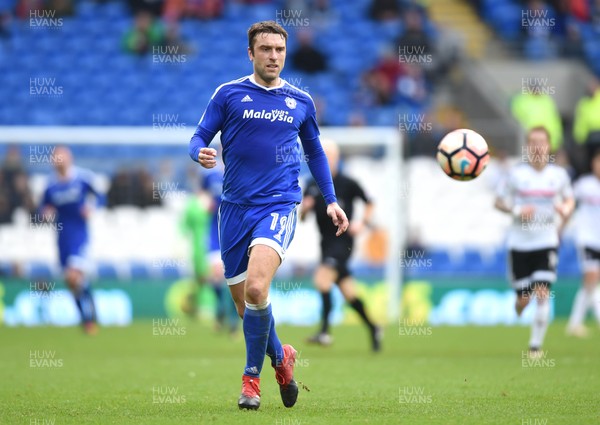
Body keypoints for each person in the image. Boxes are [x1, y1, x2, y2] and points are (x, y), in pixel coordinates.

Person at [188, 21, 349, 410]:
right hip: (234, 211)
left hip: (279, 205)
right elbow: (199, 136)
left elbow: (314, 152)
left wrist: (330, 199)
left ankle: (250, 381)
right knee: (248, 307)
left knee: (258, 290)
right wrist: (200, 153)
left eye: (279, 49)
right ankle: (282, 359)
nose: (273, 56)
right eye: (265, 49)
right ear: (251, 53)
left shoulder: (300, 101)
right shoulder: (228, 95)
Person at [494, 126, 574, 357]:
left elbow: (569, 201)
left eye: (542, 142)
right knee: (524, 299)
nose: (537, 146)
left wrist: (565, 209)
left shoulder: (558, 175)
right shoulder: (516, 174)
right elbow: (498, 202)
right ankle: (518, 305)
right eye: (533, 142)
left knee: (542, 292)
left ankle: (535, 346)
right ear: (527, 147)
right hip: (519, 243)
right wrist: (518, 209)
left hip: (546, 241)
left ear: (548, 146)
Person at [301, 139, 381, 351]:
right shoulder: (311, 184)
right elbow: (301, 218)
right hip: (325, 243)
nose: (325, 159)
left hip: (343, 241)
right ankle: (374, 328)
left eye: (329, 156)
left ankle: (325, 332)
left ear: (337, 158)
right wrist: (305, 209)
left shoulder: (348, 183)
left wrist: (362, 223)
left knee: (322, 280)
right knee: (349, 294)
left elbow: (370, 202)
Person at [39, 146, 101, 334]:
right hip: (62, 237)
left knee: (73, 276)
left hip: (79, 235)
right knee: (72, 282)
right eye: (56, 158)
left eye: (62, 157)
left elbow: (100, 197)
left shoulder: (82, 178)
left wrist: (91, 206)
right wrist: (44, 213)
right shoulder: (50, 186)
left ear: (69, 158)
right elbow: (42, 208)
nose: (59, 161)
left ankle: (88, 320)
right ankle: (88, 315)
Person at [567, 149, 600, 336]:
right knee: (591, 277)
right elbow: (568, 201)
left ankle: (577, 323)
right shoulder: (584, 184)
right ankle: (575, 323)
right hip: (587, 238)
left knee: (593, 282)